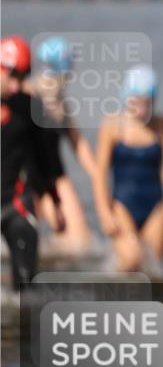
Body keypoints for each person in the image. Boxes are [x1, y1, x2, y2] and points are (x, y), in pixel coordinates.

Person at [92, 65, 163, 272]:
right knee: (131, 261)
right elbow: (100, 172)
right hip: (122, 205)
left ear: (153, 100)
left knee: (153, 268)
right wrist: (104, 212)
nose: (141, 109)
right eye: (136, 102)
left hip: (154, 205)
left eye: (146, 103)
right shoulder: (112, 125)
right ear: (126, 98)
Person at [1, 35, 65, 291]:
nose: (17, 86)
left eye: (23, 78)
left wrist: (54, 200)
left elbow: (46, 157)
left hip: (17, 205)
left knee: (26, 289)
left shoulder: (29, 108)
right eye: (12, 77)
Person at [23, 35, 96, 256]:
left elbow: (79, 144)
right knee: (26, 243)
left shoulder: (63, 103)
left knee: (80, 243)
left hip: (56, 175)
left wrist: (99, 178)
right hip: (25, 177)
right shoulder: (26, 94)